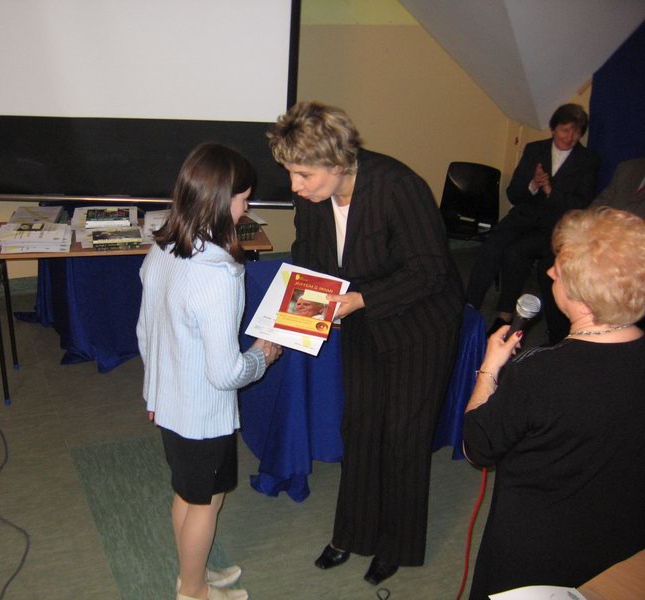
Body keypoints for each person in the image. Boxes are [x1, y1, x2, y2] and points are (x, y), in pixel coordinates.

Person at [267, 101, 463, 586]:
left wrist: (360, 300)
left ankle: (397, 544)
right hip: (362, 321)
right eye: (291, 173)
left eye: (303, 174)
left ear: (337, 162)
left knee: (403, 435)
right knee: (360, 427)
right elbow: (309, 256)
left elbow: (431, 271)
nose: (295, 186)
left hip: (420, 326)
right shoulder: (313, 197)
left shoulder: (398, 187)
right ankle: (351, 533)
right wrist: (292, 316)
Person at [463, 206, 645, 599]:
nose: (548, 272)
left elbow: (476, 446)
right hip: (622, 544)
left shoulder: (538, 374)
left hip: (535, 559)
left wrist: (488, 370)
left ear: (583, 297)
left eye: (559, 270)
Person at [136, 142, 282, 600]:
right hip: (202, 413)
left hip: (169, 400)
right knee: (204, 503)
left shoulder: (163, 247)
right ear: (220, 201)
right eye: (243, 200)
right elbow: (225, 373)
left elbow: (144, 332)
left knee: (190, 493)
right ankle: (194, 592)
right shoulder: (219, 273)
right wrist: (263, 355)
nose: (246, 210)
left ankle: (191, 573)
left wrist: (153, 394)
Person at [465, 104, 600, 332]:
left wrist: (550, 191)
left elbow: (581, 205)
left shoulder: (588, 160)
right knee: (492, 246)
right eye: (565, 130)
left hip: (555, 226)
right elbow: (513, 194)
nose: (570, 137)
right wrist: (534, 185)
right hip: (524, 216)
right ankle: (469, 306)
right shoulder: (534, 149)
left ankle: (505, 314)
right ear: (553, 129)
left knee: (515, 253)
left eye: (576, 132)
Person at [537, 156, 645, 343]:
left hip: (635, 261)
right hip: (602, 247)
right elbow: (599, 206)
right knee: (550, 268)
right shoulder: (630, 167)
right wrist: (583, 235)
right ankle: (562, 339)